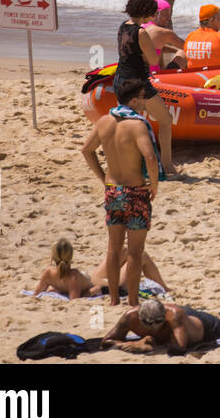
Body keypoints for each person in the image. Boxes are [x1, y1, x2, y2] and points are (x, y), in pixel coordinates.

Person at [80, 76, 161, 308]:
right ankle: (132, 302)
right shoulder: (137, 125)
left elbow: (86, 151)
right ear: (134, 101)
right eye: (143, 99)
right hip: (135, 191)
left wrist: (102, 177)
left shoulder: (104, 121)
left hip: (113, 190)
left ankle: (114, 299)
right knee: (135, 251)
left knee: (113, 249)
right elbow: (150, 157)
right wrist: (154, 184)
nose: (145, 103)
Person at [113, 0, 177, 175]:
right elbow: (153, 58)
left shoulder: (123, 26)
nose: (154, 13)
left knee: (126, 123)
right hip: (138, 83)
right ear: (146, 11)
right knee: (165, 121)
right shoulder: (142, 33)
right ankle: (167, 165)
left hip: (120, 80)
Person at [90, 244, 168, 297]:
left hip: (94, 282)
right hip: (105, 288)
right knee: (140, 256)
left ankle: (164, 288)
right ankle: (166, 289)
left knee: (123, 249)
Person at [32, 239, 99, 299]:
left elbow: (75, 301)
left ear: (52, 258)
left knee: (93, 290)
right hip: (80, 279)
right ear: (71, 257)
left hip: (88, 282)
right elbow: (35, 295)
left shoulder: (48, 273)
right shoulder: (72, 277)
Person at [141, 0, 187, 71]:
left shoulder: (137, 27)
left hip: (135, 73)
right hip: (154, 75)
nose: (168, 18)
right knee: (184, 52)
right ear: (156, 14)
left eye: (169, 15)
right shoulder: (162, 32)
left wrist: (175, 50)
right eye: (165, 15)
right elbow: (189, 47)